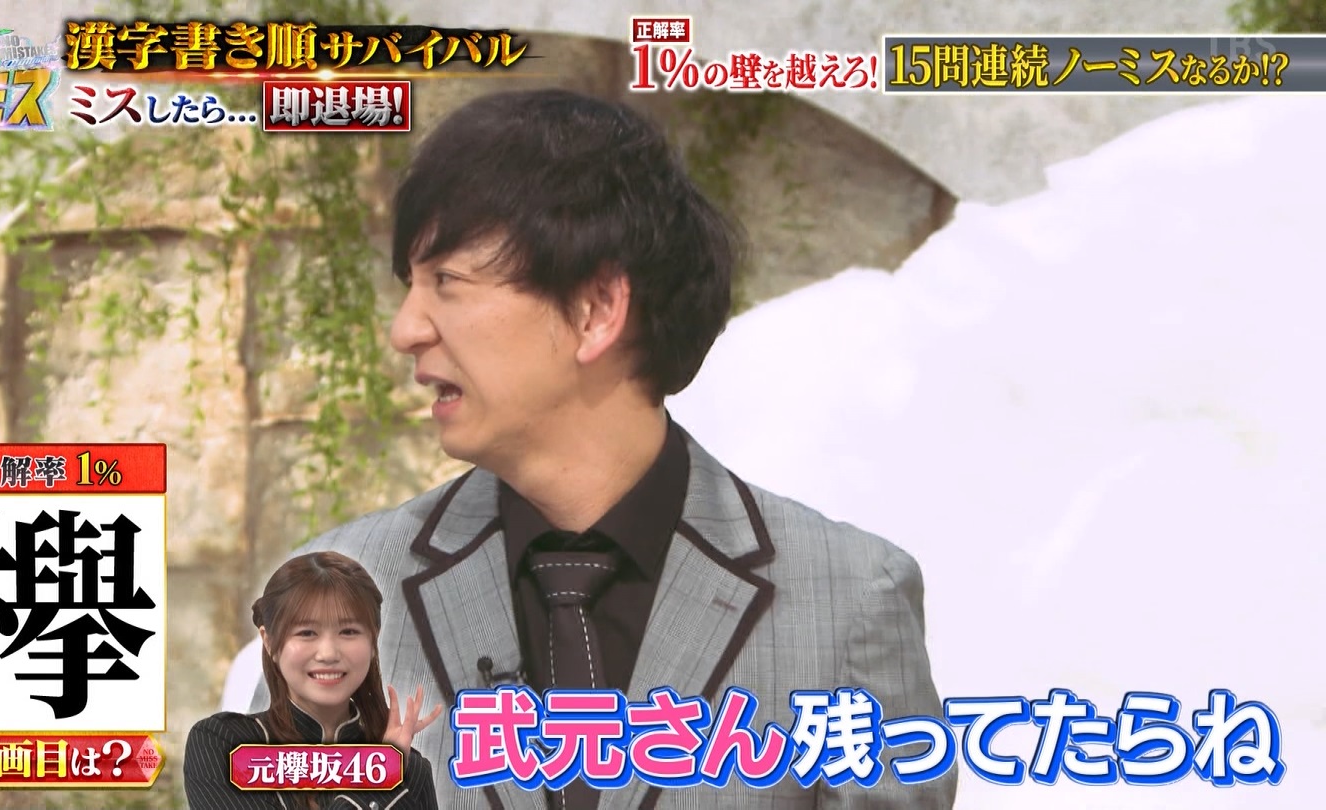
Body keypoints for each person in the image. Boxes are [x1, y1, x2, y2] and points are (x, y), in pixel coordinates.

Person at [252, 88, 956, 809]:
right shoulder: (344, 589)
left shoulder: (847, 600)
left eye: (447, 282)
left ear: (595, 311)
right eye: (411, 286)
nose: (405, 330)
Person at [188, 552, 443, 809]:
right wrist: (380, 773)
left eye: (348, 631)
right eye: (307, 632)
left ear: (373, 639)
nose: (328, 654)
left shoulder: (411, 770)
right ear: (269, 642)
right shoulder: (223, 744)